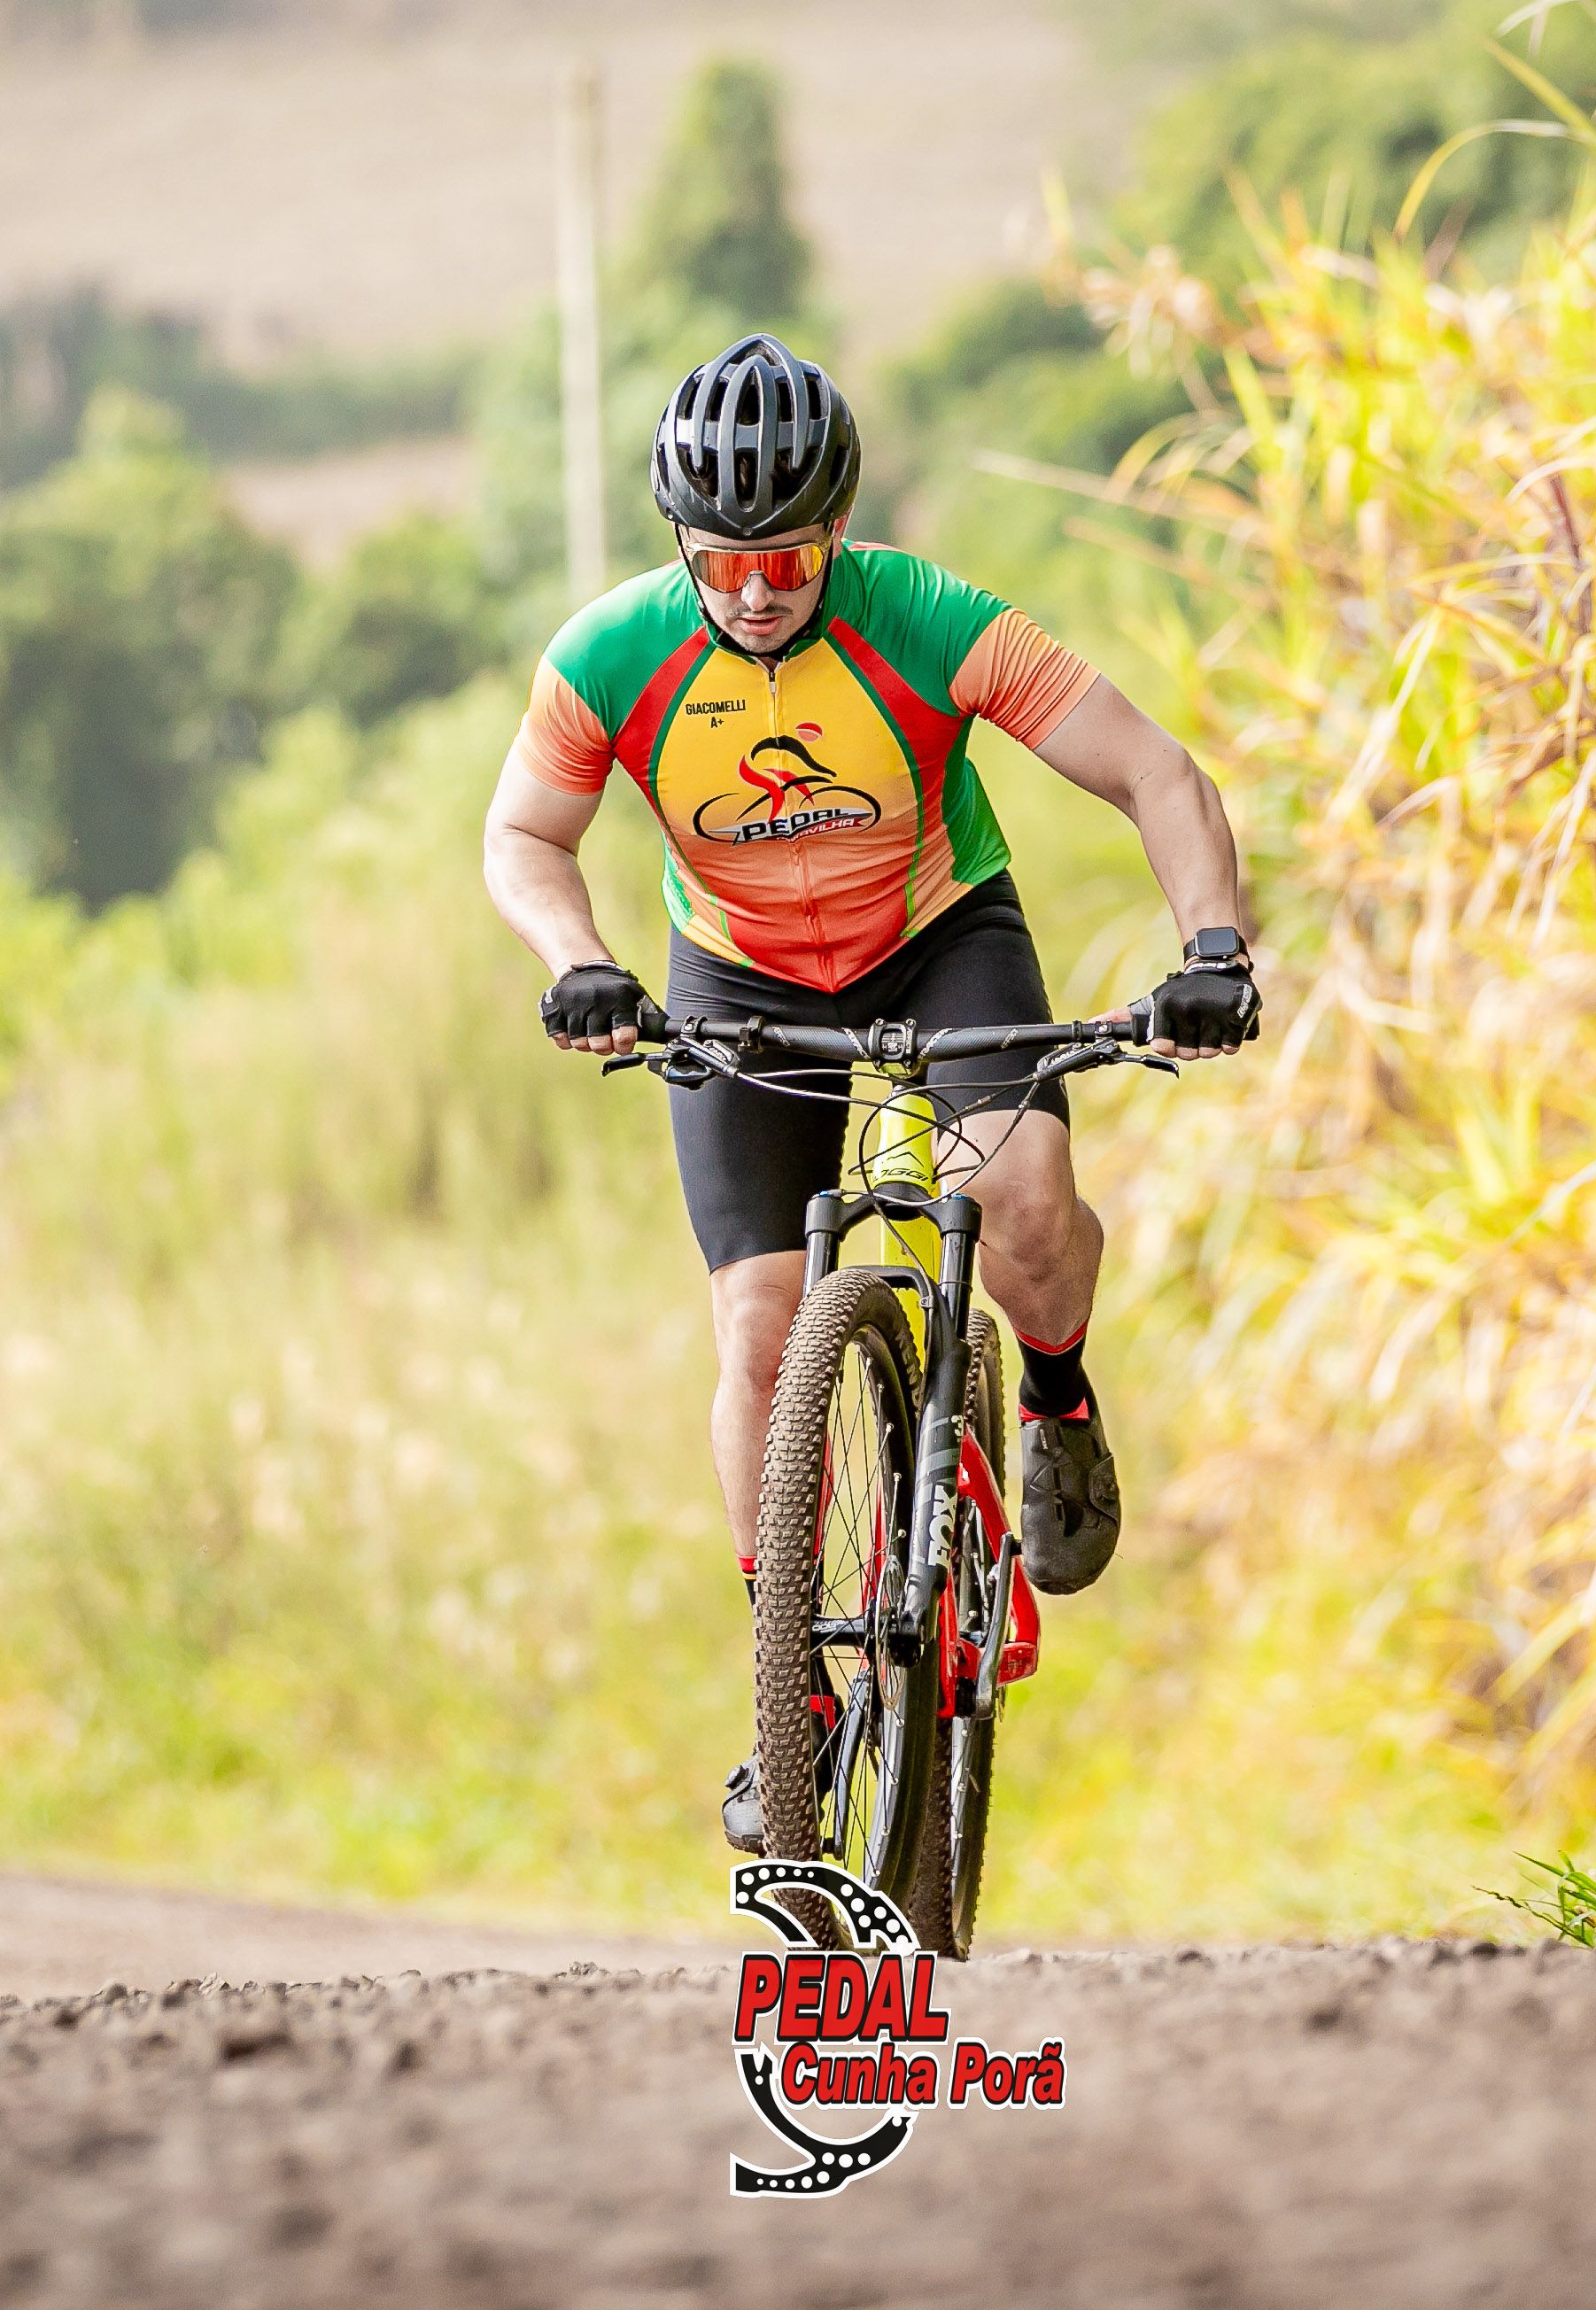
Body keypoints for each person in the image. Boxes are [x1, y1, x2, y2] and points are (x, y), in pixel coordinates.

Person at [480, 333, 1259, 1851]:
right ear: (679, 543)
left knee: (1023, 1200)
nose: (757, 590)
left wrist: (1212, 946)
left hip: (937, 936)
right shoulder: (609, 655)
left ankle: (1055, 1396)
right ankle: (798, 1692)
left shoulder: (929, 618)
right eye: (723, 560)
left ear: (837, 528)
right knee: (760, 1327)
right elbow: (523, 835)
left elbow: (1155, 772)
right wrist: (578, 960)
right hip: (737, 975)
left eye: (787, 557)